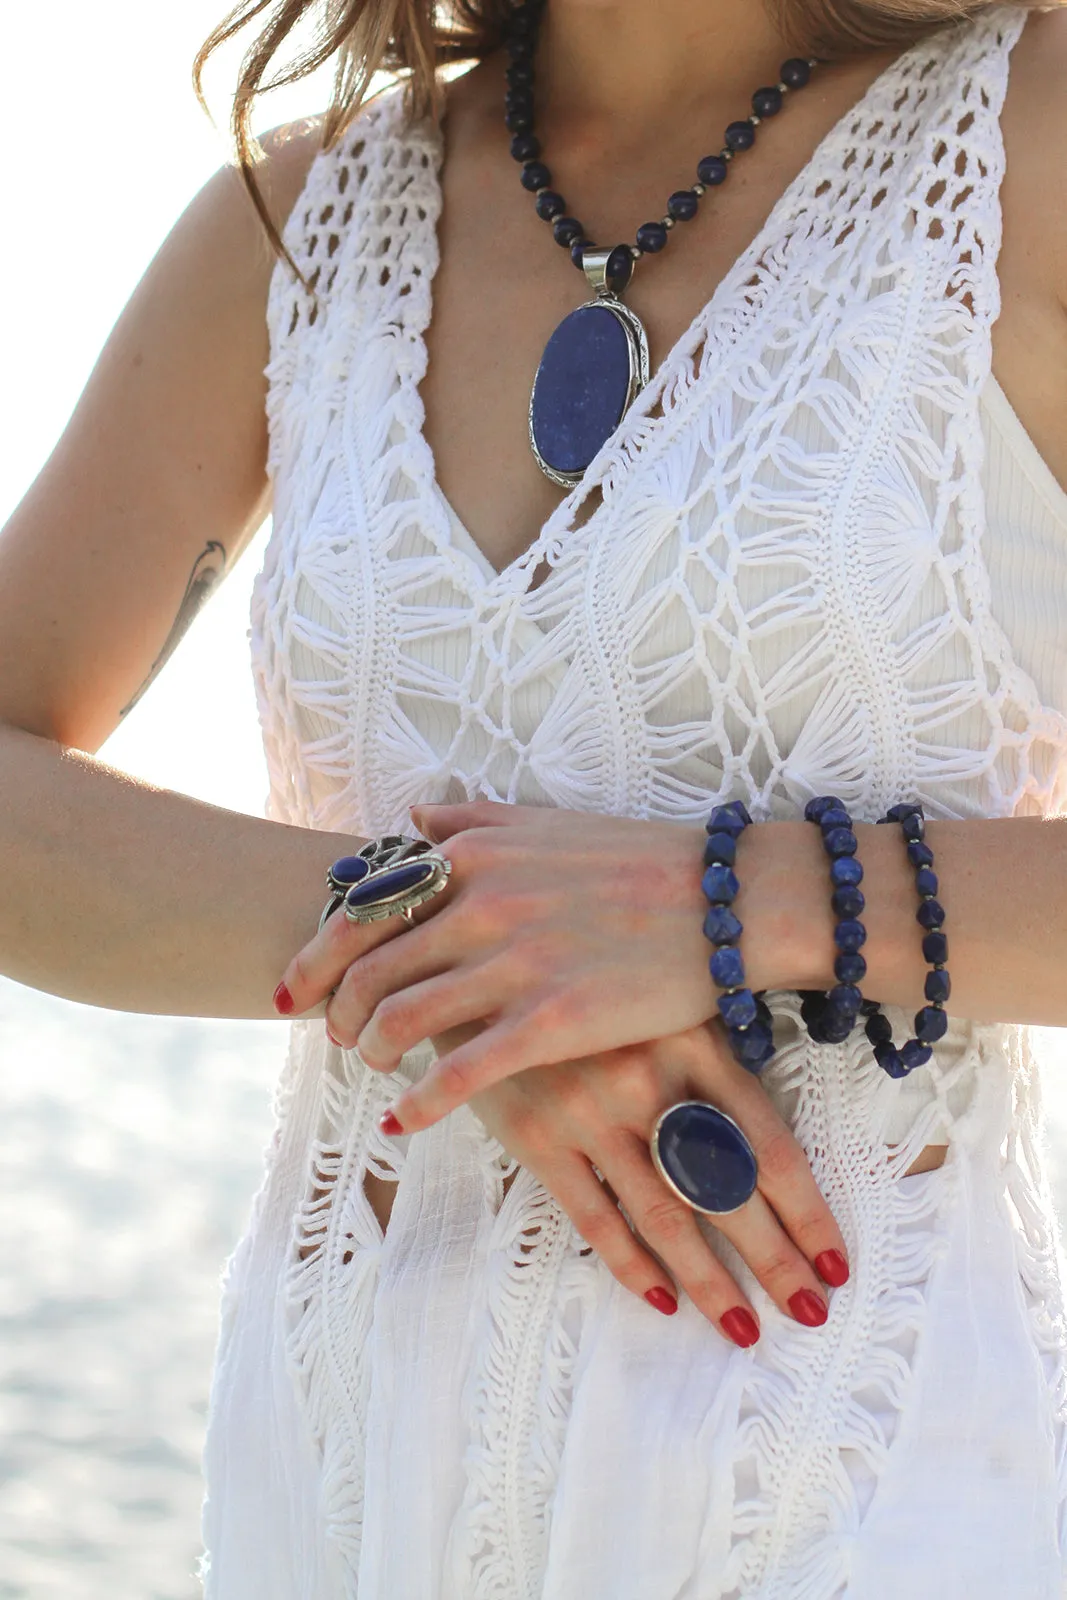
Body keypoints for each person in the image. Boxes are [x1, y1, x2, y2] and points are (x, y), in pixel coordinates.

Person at [3, 0, 1067, 1591]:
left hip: (866, 1489)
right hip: (346, 1476)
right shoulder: (301, 221)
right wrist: (440, 954)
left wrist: (734, 905)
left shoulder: (1025, 140)